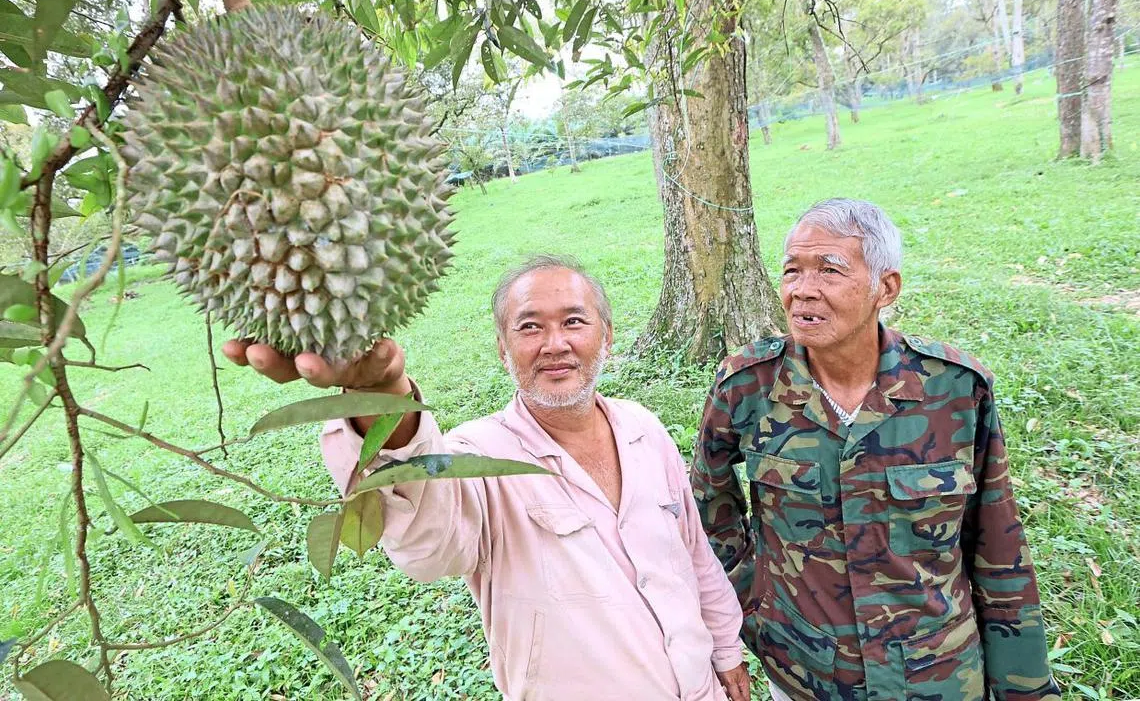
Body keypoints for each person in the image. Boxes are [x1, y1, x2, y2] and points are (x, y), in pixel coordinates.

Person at [224, 255, 751, 701]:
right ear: (502, 348)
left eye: (574, 321)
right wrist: (381, 398)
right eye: (528, 327)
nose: (554, 344)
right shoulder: (478, 455)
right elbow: (431, 550)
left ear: (606, 335)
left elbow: (692, 552)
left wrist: (727, 650)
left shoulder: (643, 426)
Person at [690, 199, 1061, 701]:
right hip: (806, 674)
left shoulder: (952, 388)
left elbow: (997, 543)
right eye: (792, 271)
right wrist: (752, 604)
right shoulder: (747, 387)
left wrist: (1025, 687)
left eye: (830, 270)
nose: (803, 290)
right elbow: (707, 509)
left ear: (885, 288)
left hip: (937, 674)